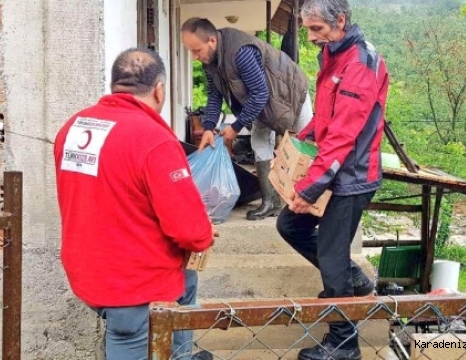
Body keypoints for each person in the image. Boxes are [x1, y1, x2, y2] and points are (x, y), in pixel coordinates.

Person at [54, 48, 215, 360]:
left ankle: (180, 357)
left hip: (87, 269)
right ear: (159, 90)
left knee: (188, 280)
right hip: (134, 283)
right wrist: (205, 231)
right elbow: (191, 233)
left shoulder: (74, 127)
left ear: (115, 85)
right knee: (129, 340)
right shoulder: (154, 139)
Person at [275, 0, 390, 359]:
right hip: (334, 167)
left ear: (340, 21)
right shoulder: (334, 53)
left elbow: (343, 134)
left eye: (316, 30)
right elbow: (327, 117)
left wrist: (309, 189)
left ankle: (344, 343)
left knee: (331, 252)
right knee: (290, 226)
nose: (311, 38)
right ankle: (352, 278)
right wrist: (304, 138)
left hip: (352, 176)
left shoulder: (359, 63)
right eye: (308, 29)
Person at [180, 17, 313, 221]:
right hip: (262, 101)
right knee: (259, 142)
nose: (195, 56)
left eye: (197, 50)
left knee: (305, 145)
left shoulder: (240, 51)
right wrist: (208, 128)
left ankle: (312, 202)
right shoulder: (210, 62)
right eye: (191, 51)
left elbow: (260, 93)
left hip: (290, 94)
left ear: (212, 41)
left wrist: (236, 126)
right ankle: (270, 202)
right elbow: (214, 96)